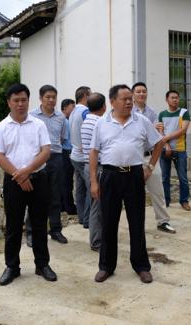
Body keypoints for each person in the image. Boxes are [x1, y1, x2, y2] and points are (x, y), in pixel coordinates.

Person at [90, 85, 165, 284]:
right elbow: (94, 152)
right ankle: (106, 266)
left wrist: (150, 166)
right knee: (108, 222)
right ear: (112, 102)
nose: (129, 102)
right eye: (124, 99)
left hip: (134, 176)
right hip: (110, 176)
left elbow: (159, 142)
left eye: (130, 98)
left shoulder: (142, 121)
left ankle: (141, 266)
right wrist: (94, 181)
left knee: (137, 222)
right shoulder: (101, 123)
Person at [0, 83, 57, 286]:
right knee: (13, 226)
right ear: (9, 102)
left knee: (39, 225)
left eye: (24, 100)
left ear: (29, 101)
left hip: (38, 182)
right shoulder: (1, 127)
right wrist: (19, 176)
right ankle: (12, 267)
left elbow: (46, 152)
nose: (20, 104)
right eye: (16, 100)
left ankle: (42, 264)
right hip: (13, 183)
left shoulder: (38, 125)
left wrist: (27, 171)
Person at [25, 85, 68, 246]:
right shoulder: (31, 116)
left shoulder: (61, 117)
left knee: (56, 197)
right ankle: (32, 232)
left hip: (56, 158)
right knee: (35, 197)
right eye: (48, 97)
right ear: (40, 98)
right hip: (37, 160)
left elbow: (62, 139)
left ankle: (55, 230)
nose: (51, 100)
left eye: (54, 97)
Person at [132, 82, 176, 234]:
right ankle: (137, 224)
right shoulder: (128, 111)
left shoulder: (151, 111)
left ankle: (162, 221)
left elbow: (157, 134)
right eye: (138, 91)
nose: (141, 94)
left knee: (157, 190)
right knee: (135, 193)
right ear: (133, 94)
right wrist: (151, 127)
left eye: (144, 91)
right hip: (134, 158)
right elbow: (139, 131)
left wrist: (151, 128)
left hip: (151, 156)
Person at [158, 91, 191, 211]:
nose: (175, 100)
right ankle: (166, 200)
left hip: (180, 150)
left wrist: (166, 138)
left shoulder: (184, 113)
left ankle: (184, 201)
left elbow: (183, 130)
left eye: (177, 97)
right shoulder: (162, 114)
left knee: (182, 177)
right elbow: (160, 132)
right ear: (166, 100)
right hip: (164, 148)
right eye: (172, 98)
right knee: (164, 177)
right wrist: (166, 144)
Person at [81, 93, 107, 252]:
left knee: (94, 205)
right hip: (97, 168)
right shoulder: (99, 122)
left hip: (88, 166)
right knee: (98, 207)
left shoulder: (87, 120)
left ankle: (98, 238)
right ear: (104, 106)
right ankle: (97, 242)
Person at [69, 86, 92, 228]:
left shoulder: (73, 111)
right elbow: (89, 131)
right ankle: (88, 219)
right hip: (84, 157)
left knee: (80, 188)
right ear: (85, 96)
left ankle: (82, 217)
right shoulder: (85, 111)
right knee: (91, 187)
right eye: (91, 94)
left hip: (75, 155)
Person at [60, 99, 78, 215]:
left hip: (64, 153)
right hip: (66, 153)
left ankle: (63, 205)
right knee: (67, 182)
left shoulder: (65, 120)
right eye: (72, 107)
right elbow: (61, 140)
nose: (74, 109)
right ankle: (70, 208)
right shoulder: (65, 122)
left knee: (64, 181)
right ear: (65, 109)